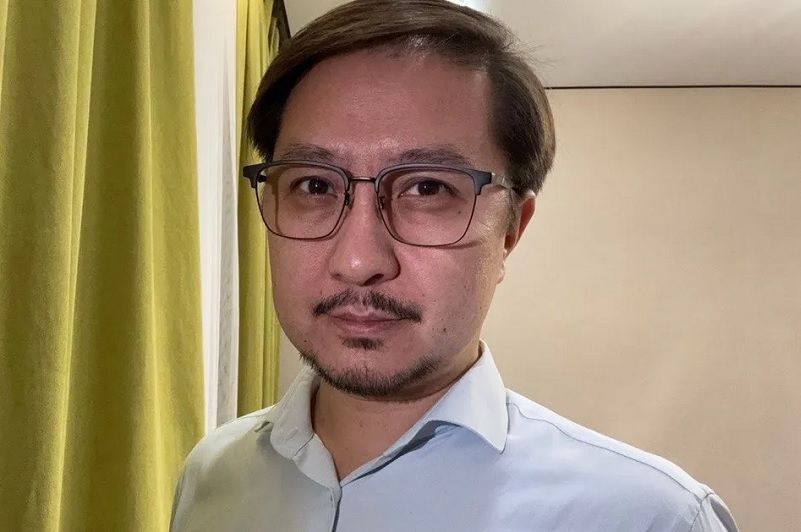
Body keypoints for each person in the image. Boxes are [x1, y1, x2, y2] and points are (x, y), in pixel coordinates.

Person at [170, 1, 738, 530]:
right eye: (314, 185)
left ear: (511, 229)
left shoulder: (648, 517)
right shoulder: (213, 474)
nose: (358, 260)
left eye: (427, 188)